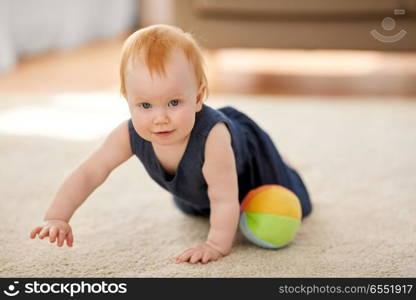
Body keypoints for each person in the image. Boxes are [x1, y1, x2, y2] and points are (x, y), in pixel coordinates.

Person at [30, 24, 312, 264]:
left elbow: (224, 196)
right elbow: (89, 173)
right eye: (145, 105)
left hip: (248, 168)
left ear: (199, 98)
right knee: (196, 208)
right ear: (127, 100)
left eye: (174, 102)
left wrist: (215, 245)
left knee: (290, 205)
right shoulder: (128, 134)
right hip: (198, 190)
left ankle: (285, 164)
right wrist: (57, 217)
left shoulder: (213, 137)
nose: (160, 118)